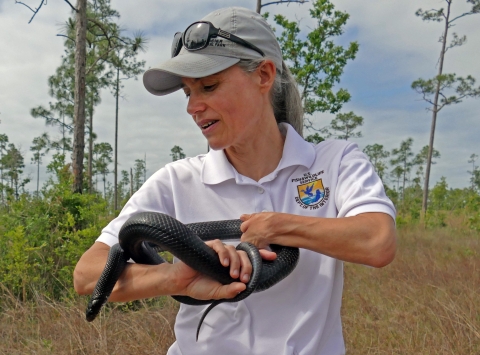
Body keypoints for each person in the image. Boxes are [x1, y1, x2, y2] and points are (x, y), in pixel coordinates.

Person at [74, 6, 396, 355]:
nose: (193, 107)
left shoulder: (335, 162)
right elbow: (88, 275)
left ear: (264, 75)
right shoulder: (177, 181)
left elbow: (377, 241)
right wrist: (173, 278)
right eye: (188, 92)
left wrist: (273, 226)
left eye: (209, 86)